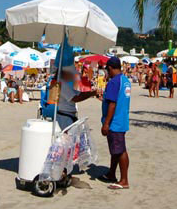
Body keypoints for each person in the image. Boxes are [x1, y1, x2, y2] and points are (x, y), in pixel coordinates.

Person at [99, 56, 131, 189]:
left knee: (120, 150)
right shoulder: (125, 80)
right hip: (122, 118)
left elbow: (113, 104)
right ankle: (111, 173)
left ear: (110, 68)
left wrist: (106, 123)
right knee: (116, 149)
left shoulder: (113, 82)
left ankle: (124, 180)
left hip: (115, 122)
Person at [56, 65, 99, 130]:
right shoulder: (63, 84)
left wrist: (92, 92)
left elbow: (79, 93)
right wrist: (91, 93)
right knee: (68, 138)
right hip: (65, 116)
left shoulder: (68, 84)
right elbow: (76, 98)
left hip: (69, 115)